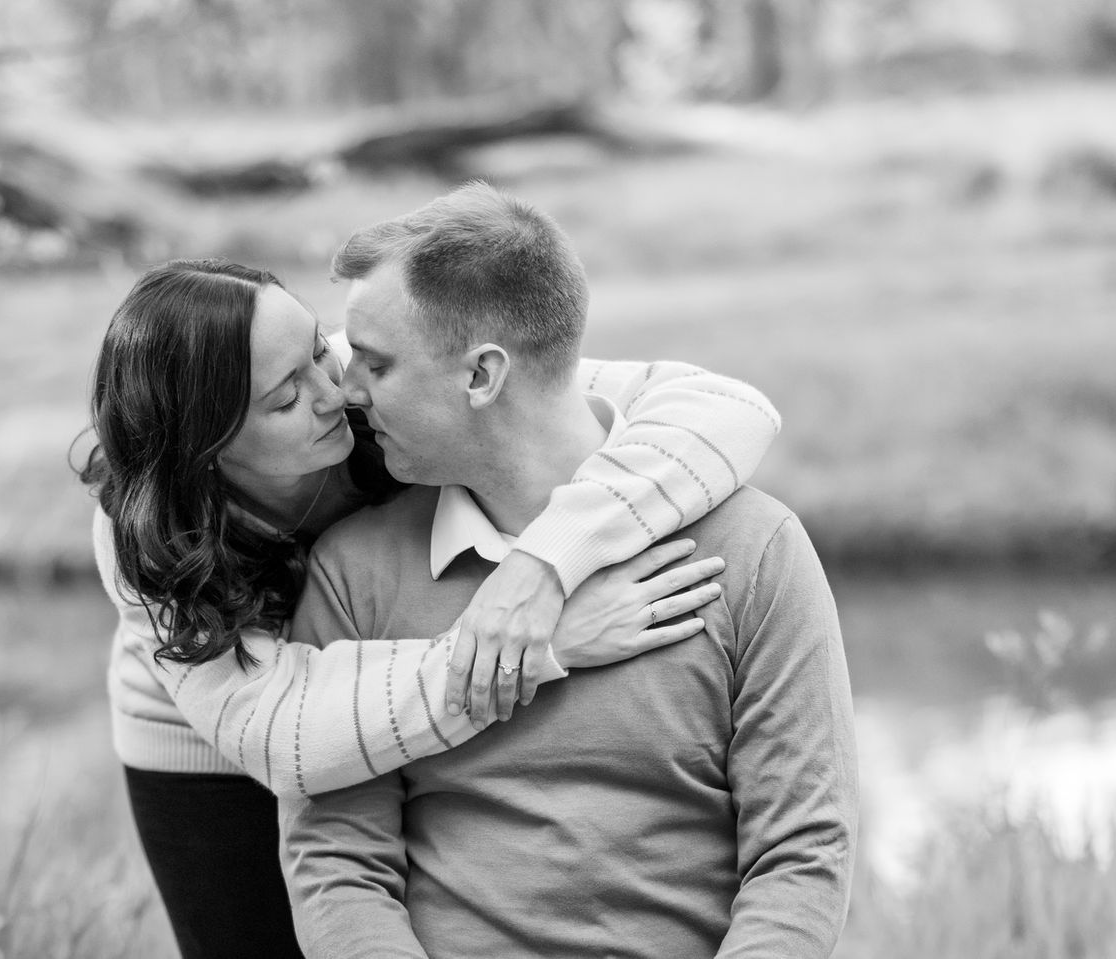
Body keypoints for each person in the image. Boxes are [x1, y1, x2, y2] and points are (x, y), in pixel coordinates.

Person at [81, 252, 783, 958]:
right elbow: (281, 734)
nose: (335, 393)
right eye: (285, 399)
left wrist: (541, 568)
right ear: (207, 446)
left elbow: (726, 410)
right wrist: (539, 645)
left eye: (319, 352)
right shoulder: (148, 536)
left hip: (386, 653)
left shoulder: (376, 378)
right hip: (216, 738)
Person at [280, 182, 858, 958]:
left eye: (375, 365)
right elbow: (340, 868)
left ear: (481, 375)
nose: (345, 392)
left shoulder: (755, 549)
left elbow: (800, 852)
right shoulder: (353, 572)